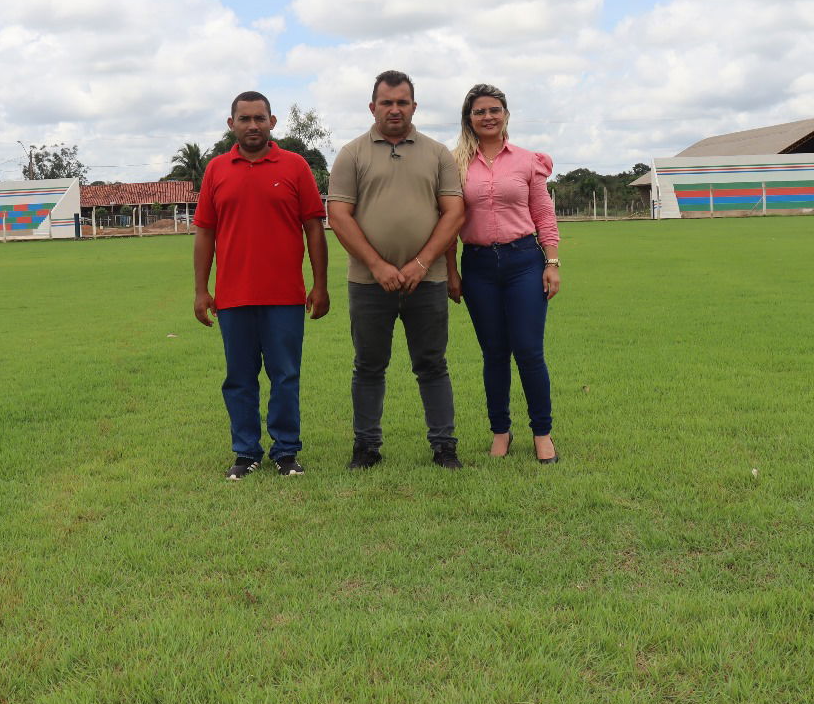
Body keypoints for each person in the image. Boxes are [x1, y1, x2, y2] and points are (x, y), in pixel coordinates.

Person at [327, 70, 466, 470]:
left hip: (429, 280)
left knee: (432, 365)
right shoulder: (352, 154)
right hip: (370, 283)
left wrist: (422, 263)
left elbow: (453, 211)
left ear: (414, 107)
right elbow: (338, 214)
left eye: (402, 102)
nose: (394, 109)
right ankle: (366, 447)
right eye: (386, 102)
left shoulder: (437, 153)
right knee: (368, 366)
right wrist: (378, 265)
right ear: (372, 107)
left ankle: (444, 447)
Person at [193, 91, 330, 480]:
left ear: (273, 122)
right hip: (233, 297)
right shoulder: (217, 170)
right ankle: (246, 452)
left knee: (285, 375)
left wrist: (320, 285)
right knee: (239, 378)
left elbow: (313, 230)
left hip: (285, 296)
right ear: (231, 124)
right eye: (244, 119)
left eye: (259, 118)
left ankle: (286, 451)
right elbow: (204, 232)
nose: (252, 125)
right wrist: (202, 290)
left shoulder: (295, 166)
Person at [445, 83, 561, 463]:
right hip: (477, 266)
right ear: (469, 119)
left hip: (523, 262)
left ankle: (542, 433)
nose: (488, 117)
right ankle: (501, 431)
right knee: (494, 354)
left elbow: (543, 214)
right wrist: (451, 271)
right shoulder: (455, 164)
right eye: (479, 111)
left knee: (529, 351)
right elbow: (447, 220)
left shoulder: (528, 161)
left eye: (495, 110)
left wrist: (552, 262)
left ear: (505, 114)